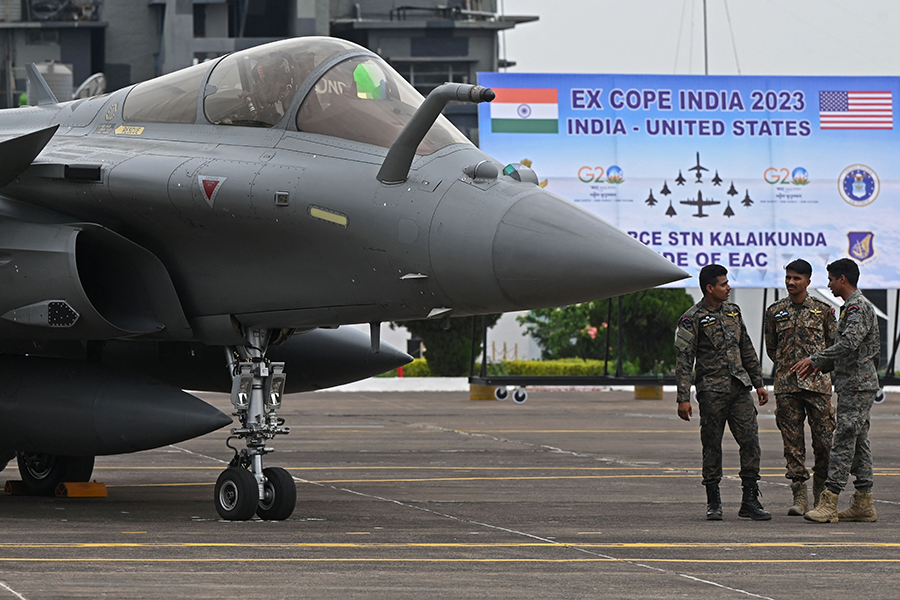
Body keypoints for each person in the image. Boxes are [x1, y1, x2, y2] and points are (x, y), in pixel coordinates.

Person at [675, 264, 771, 521]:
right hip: (711, 392)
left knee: (750, 440)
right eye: (723, 284)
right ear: (710, 288)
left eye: (728, 283)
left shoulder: (733, 312)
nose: (728, 287)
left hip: (739, 388)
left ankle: (749, 500)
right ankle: (713, 501)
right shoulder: (691, 318)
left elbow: (747, 348)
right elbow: (684, 360)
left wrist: (759, 383)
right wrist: (683, 398)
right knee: (712, 445)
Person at [793, 258, 880, 523]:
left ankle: (829, 501)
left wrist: (816, 359)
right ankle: (864, 502)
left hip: (857, 386)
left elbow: (849, 344)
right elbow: (848, 350)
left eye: (831, 279)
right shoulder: (851, 307)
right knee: (859, 442)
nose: (829, 284)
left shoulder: (856, 307)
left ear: (843, 279)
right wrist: (823, 365)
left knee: (842, 441)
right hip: (855, 384)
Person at [764, 259, 836, 515]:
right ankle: (799, 496)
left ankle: (821, 494)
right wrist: (788, 368)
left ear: (808, 281)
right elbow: (771, 349)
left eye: (797, 278)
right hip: (787, 387)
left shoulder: (823, 311)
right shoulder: (774, 311)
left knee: (825, 443)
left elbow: (832, 347)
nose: (791, 283)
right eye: (788, 278)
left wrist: (817, 369)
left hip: (817, 387)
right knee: (792, 445)